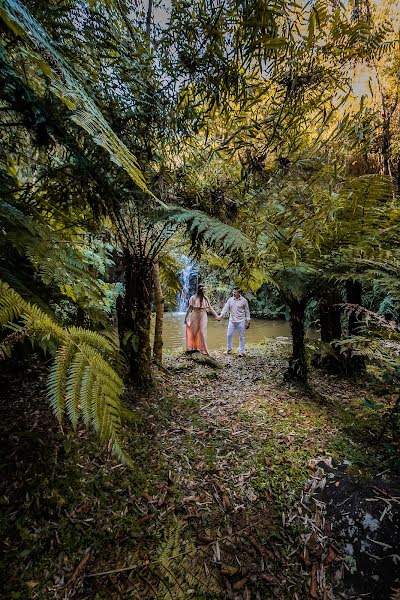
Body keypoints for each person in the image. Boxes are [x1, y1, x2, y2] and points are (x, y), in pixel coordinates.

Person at [184, 285, 219, 356]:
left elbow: (210, 308)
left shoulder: (205, 298)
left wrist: (216, 316)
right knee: (194, 332)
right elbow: (189, 308)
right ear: (200, 289)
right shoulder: (193, 298)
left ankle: (205, 350)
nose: (205, 291)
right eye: (204, 289)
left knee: (202, 332)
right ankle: (194, 348)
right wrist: (186, 318)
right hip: (195, 315)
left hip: (203, 315)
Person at [218, 288, 251, 357]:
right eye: (233, 292)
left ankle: (241, 351)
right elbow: (225, 308)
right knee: (229, 335)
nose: (233, 293)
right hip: (232, 320)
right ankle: (229, 349)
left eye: (235, 292)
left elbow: (247, 312)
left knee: (241, 337)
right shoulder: (230, 300)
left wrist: (248, 321)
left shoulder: (244, 301)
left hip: (241, 321)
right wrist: (221, 316)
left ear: (239, 293)